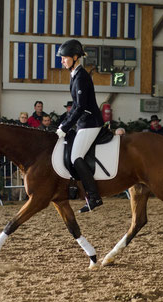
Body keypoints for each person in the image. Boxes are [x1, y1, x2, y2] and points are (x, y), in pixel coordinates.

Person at [55, 39, 104, 213]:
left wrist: (65, 127)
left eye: (64, 57)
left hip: (90, 123)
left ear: (75, 57)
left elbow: (81, 106)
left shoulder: (82, 76)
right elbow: (75, 106)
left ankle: (94, 196)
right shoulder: (75, 74)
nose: (61, 60)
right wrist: (63, 124)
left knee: (76, 157)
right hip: (83, 122)